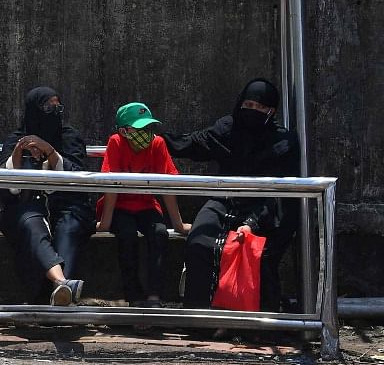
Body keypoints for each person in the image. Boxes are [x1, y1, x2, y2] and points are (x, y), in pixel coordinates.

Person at [164, 78, 301, 312]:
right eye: (248, 105)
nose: (253, 112)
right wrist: (154, 141)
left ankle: (256, 324)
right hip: (226, 199)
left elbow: (279, 194)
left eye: (261, 108)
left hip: (266, 207)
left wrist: (252, 224)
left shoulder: (282, 142)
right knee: (199, 241)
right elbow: (193, 143)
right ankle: (201, 318)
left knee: (258, 253)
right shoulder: (227, 129)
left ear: (272, 111)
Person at [0, 86, 92, 306]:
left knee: (68, 228)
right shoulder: (16, 140)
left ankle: (55, 295)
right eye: (48, 107)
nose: (54, 111)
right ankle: (62, 284)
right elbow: (5, 187)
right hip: (27, 209)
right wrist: (19, 153)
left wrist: (50, 151)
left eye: (58, 106)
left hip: (68, 207)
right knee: (32, 225)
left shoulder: (69, 137)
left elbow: (78, 178)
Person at [95, 102, 191, 306]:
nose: (146, 133)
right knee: (127, 235)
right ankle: (134, 297)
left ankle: (155, 295)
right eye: (140, 129)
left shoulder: (158, 144)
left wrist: (179, 224)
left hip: (147, 205)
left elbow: (168, 185)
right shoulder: (116, 142)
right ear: (124, 131)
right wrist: (105, 222)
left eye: (149, 128)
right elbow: (111, 185)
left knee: (159, 233)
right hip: (120, 206)